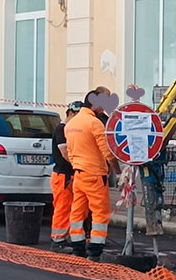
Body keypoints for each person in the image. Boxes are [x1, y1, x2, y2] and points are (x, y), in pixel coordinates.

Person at [65, 90, 122, 260]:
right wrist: (118, 172)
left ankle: (77, 248)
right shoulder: (94, 123)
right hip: (95, 175)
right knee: (99, 213)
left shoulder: (71, 124)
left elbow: (70, 152)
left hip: (78, 174)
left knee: (77, 212)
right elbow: (108, 153)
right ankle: (95, 251)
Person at [49, 101, 83, 253]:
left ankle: (63, 236)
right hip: (63, 175)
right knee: (62, 207)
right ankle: (57, 239)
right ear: (70, 113)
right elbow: (65, 153)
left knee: (69, 207)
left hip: (68, 174)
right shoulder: (61, 130)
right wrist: (79, 164)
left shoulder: (69, 130)